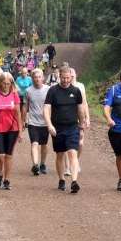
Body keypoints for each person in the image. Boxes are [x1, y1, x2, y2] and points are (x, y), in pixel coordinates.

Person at [44, 66, 86, 194]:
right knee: (60, 154)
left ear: (71, 77)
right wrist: (49, 125)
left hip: (73, 127)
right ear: (59, 77)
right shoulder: (52, 91)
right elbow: (46, 109)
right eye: (63, 78)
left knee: (72, 152)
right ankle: (61, 179)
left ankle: (74, 181)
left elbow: (80, 109)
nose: (66, 80)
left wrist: (82, 124)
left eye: (68, 78)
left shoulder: (76, 91)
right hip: (57, 128)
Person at [0, 72, 23, 190]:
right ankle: (0, 173)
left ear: (11, 83)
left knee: (9, 155)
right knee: (0, 155)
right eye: (4, 83)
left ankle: (7, 179)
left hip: (12, 128)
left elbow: (18, 114)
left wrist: (20, 131)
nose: (6, 85)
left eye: (8, 83)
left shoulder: (14, 95)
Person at [25, 68, 50, 176]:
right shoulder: (28, 91)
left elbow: (52, 105)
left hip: (45, 122)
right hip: (33, 122)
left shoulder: (48, 89)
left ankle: (42, 164)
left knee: (44, 144)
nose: (37, 79)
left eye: (39, 77)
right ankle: (35, 165)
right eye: (35, 77)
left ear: (43, 78)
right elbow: (25, 106)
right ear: (32, 79)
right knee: (34, 143)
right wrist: (24, 119)